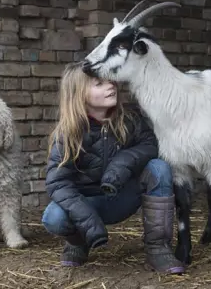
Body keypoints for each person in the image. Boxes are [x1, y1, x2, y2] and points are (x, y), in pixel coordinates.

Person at [41, 62, 185, 274]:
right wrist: (89, 223)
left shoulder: (131, 118)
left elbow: (150, 146)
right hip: (88, 205)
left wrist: (120, 165)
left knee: (159, 167)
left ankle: (158, 248)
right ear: (79, 95)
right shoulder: (68, 134)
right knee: (53, 217)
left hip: (123, 197)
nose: (111, 86)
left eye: (111, 80)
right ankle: (78, 242)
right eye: (99, 83)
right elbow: (57, 182)